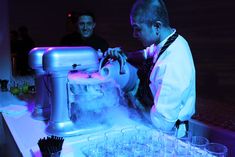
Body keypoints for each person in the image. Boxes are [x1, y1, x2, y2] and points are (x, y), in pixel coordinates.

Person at [104, 0, 195, 133]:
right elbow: (148, 53)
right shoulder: (169, 40)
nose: (134, 34)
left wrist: (133, 92)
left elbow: (162, 124)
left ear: (157, 27)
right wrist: (126, 55)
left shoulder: (173, 63)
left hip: (170, 134)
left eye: (137, 29)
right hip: (162, 124)